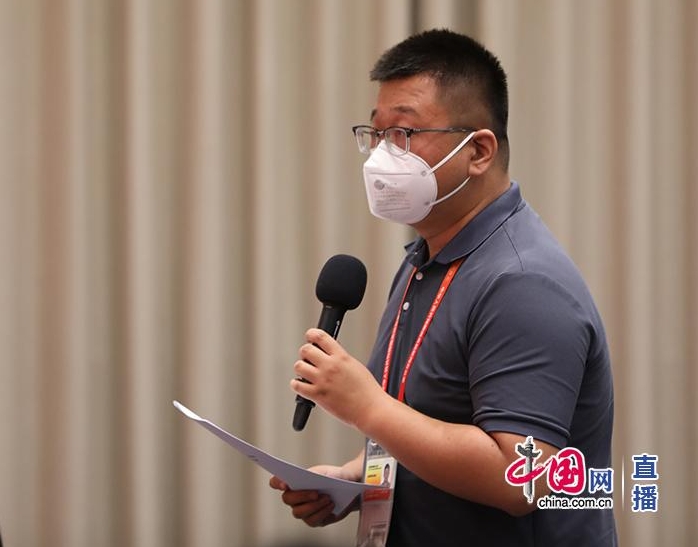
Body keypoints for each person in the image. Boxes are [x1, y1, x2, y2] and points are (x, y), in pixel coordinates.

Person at [270, 29, 617, 546]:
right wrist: (354, 480)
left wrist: (366, 407)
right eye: (376, 133)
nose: (382, 155)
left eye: (404, 133)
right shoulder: (426, 259)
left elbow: (521, 478)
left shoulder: (522, 281)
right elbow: (428, 421)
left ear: (478, 151)